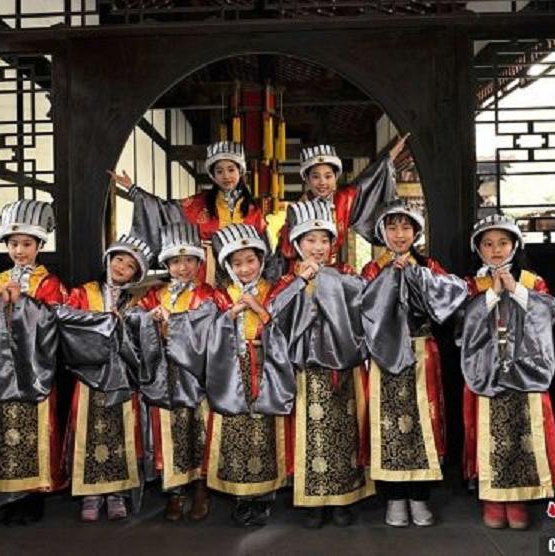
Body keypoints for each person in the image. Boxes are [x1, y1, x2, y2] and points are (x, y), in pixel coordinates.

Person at [167, 223, 294, 526]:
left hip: (266, 366)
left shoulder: (274, 290)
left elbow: (287, 327)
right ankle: (240, 496)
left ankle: (264, 497)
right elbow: (204, 332)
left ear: (261, 261)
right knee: (235, 429)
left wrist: (261, 312)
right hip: (231, 369)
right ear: (227, 265)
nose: (246, 268)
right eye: (237, 263)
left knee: (264, 428)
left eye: (251, 261)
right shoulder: (220, 296)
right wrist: (229, 316)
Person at [0, 199, 66, 525]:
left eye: (27, 244)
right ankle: (3, 493)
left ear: (40, 246)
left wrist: (23, 305)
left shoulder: (50, 283)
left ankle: (33, 498)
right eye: (14, 244)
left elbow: (55, 320)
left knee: (35, 430)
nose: (20, 250)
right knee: (0, 431)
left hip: (33, 369)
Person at [265, 200, 374, 529]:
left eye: (324, 240)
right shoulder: (287, 281)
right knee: (311, 437)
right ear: (297, 244)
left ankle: (343, 498)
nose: (318, 247)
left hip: (344, 368)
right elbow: (273, 315)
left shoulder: (347, 275)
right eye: (310, 240)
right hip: (307, 372)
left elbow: (366, 307)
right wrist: (301, 283)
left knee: (345, 435)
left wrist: (327, 281)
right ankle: (314, 501)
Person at [361, 200, 468, 527]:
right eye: (392, 227)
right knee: (389, 425)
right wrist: (388, 280)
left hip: (422, 350)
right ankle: (394, 498)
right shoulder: (372, 269)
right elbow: (364, 308)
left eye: (406, 227)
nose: (399, 234)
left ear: (416, 231)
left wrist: (418, 274)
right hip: (385, 357)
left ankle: (420, 497)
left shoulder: (429, 264)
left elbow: (453, 294)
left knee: (425, 423)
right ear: (382, 232)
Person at [458, 213, 555, 530]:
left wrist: (516, 290)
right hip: (485, 372)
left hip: (525, 370)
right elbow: (462, 326)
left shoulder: (532, 282)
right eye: (488, 244)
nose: (496, 250)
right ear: (478, 249)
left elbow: (548, 316)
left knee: (522, 434)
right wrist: (491, 294)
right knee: (487, 434)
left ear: (515, 245)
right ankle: (492, 498)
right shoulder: (471, 285)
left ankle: (519, 499)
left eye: (503, 243)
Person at [59, 234, 153, 521]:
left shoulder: (136, 301)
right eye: (119, 259)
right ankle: (90, 493)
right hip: (88, 373)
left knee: (121, 431)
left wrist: (127, 323)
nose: (121, 266)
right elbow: (65, 318)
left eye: (129, 266)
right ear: (108, 259)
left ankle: (117, 493)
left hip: (122, 374)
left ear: (135, 276)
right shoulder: (83, 292)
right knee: (87, 431)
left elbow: (142, 338)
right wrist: (103, 322)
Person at [137, 223, 218, 522]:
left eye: (188, 261)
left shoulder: (209, 294)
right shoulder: (154, 294)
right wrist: (151, 320)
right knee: (170, 431)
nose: (182, 267)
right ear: (167, 265)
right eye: (175, 261)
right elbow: (137, 320)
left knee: (199, 429)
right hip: (165, 374)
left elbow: (209, 327)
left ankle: (200, 488)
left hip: (197, 374)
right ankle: (175, 491)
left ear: (199, 263)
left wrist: (173, 325)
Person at [110, 141, 271, 284]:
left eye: (231, 170)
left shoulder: (253, 210)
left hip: (241, 270)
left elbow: (265, 251)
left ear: (240, 172)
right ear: (213, 176)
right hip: (205, 270)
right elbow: (164, 210)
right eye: (220, 171)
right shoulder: (198, 203)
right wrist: (133, 190)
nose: (226, 176)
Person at [277, 134, 410, 267]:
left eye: (328, 176)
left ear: (336, 177)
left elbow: (368, 181)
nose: (322, 182)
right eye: (316, 177)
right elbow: (287, 251)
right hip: (304, 269)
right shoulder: (299, 210)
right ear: (307, 179)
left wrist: (388, 158)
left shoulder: (343, 200)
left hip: (333, 270)